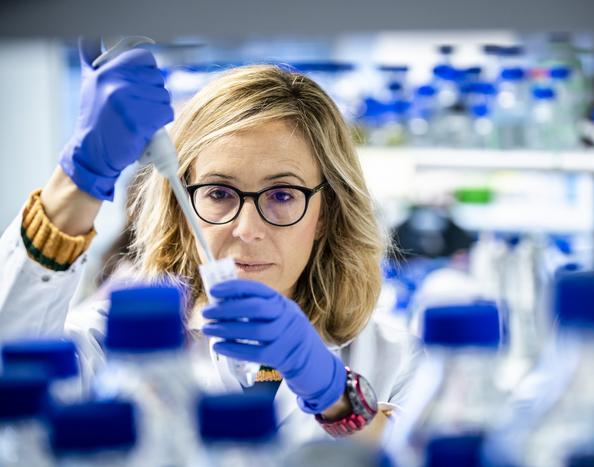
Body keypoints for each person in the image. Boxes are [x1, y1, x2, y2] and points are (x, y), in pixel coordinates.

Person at [0, 39, 421, 443]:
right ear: (182, 207)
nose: (247, 228)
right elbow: (12, 378)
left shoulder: (394, 357)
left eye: (282, 195)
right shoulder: (111, 347)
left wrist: (333, 393)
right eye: (219, 193)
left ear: (327, 213)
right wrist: (79, 179)